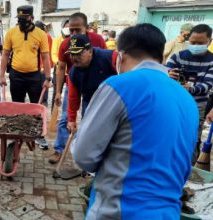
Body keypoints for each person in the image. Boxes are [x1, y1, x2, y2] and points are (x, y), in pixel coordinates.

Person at [71, 23, 199, 219]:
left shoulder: (119, 85)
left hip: (121, 211)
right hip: (168, 213)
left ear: (121, 55)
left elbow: (84, 156)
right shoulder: (187, 99)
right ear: (160, 56)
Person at [49, 12, 106, 163]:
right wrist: (58, 91)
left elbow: (107, 62)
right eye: (71, 30)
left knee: (90, 119)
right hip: (73, 84)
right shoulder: (65, 43)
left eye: (77, 30)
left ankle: (86, 153)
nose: (73, 34)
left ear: (86, 28)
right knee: (66, 118)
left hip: (95, 88)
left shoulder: (98, 40)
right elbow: (61, 68)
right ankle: (59, 149)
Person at [0, 5, 52, 149]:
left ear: (32, 18)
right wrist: (2, 75)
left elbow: (46, 57)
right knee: (17, 106)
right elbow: (5, 54)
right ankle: (17, 133)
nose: (22, 21)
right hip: (16, 76)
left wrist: (48, 79)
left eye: (25, 18)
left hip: (34, 76)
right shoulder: (11, 33)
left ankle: (38, 135)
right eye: (20, 18)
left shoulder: (41, 34)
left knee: (36, 107)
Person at [167, 24, 213, 165]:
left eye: (200, 43)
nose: (195, 45)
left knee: (192, 138)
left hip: (197, 105)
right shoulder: (177, 56)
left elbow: (208, 84)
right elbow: (164, 74)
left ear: (209, 42)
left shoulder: (211, 61)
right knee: (170, 134)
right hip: (173, 102)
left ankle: (189, 168)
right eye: (193, 42)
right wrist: (169, 74)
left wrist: (190, 89)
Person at [66, 34, 117, 133]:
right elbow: (73, 97)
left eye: (78, 54)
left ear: (90, 51)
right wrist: (71, 120)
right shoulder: (73, 73)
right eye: (72, 54)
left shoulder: (110, 57)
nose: (74, 58)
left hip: (114, 101)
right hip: (90, 101)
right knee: (88, 131)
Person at [50, 19, 69, 110]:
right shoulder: (57, 39)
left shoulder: (73, 39)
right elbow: (53, 53)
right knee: (56, 92)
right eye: (66, 26)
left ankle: (67, 114)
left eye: (69, 26)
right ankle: (54, 112)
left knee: (70, 93)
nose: (68, 28)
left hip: (70, 71)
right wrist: (59, 62)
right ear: (62, 27)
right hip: (59, 69)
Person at [35, 20, 53, 107]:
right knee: (39, 85)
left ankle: (43, 103)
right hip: (36, 65)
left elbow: (47, 53)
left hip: (43, 65)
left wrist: (43, 66)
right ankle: (40, 102)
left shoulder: (46, 37)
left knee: (44, 84)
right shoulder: (36, 36)